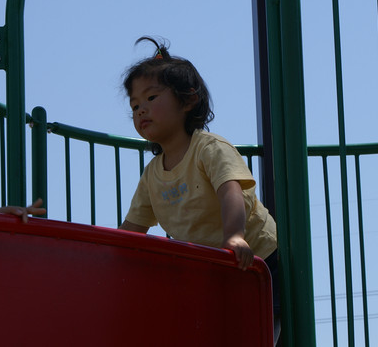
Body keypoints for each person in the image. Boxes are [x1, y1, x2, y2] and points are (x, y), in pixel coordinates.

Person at [118, 37, 280, 337]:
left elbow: (230, 191)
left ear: (188, 100)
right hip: (212, 267)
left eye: (151, 98)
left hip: (256, 256)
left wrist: (234, 236)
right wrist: (109, 256)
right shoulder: (152, 174)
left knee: (259, 329)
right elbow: (132, 229)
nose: (141, 110)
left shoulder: (208, 148)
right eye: (135, 105)